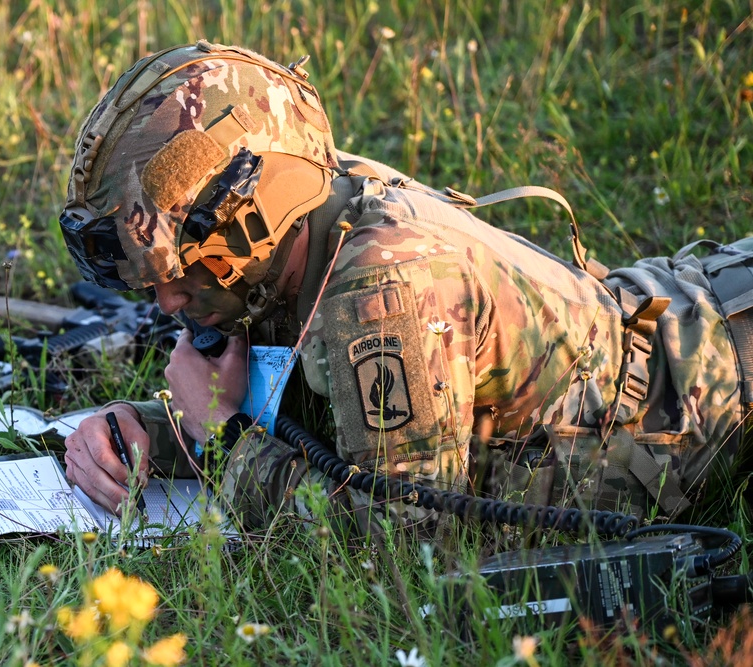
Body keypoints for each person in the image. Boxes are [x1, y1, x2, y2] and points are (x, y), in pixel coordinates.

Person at [59, 41, 752, 536]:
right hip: (681, 312)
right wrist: (141, 432)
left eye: (183, 273)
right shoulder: (295, 230)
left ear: (255, 214)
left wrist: (226, 437)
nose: (169, 303)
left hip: (706, 399)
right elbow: (298, 411)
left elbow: (407, 539)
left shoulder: (383, 285)